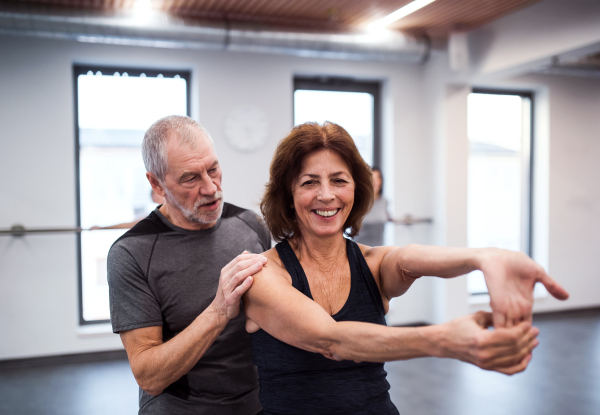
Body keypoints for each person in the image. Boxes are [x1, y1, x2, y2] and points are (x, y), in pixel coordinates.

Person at [243, 121, 569, 415]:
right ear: (288, 195)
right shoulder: (264, 275)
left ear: (356, 190)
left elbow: (409, 258)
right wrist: (446, 340)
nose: (326, 195)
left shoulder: (373, 264)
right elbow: (332, 341)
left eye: (339, 180)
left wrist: (487, 257)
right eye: (309, 182)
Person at [107, 115, 270, 414]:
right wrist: (219, 311)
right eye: (190, 178)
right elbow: (149, 376)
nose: (210, 188)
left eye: (213, 169)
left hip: (257, 402)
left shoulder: (251, 225)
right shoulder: (131, 253)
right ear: (156, 183)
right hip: (180, 407)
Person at [91, 189, 165, 230]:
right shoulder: (158, 215)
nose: (159, 203)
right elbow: (132, 224)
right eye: (157, 202)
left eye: (159, 199)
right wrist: (102, 228)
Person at [353, 166, 391, 246]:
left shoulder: (384, 202)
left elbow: (386, 218)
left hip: (378, 249)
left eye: (377, 179)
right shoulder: (359, 202)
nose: (375, 182)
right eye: (372, 179)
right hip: (360, 248)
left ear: (381, 181)